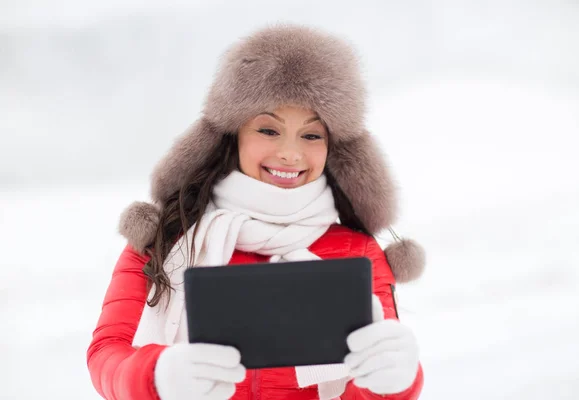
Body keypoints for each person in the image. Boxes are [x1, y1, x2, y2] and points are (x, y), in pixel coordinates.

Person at [87, 24, 426, 400]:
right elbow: (107, 352)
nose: (291, 154)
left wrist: (399, 380)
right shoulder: (166, 237)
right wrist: (156, 376)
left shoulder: (358, 252)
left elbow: (375, 387)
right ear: (232, 136)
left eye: (312, 135)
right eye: (268, 130)